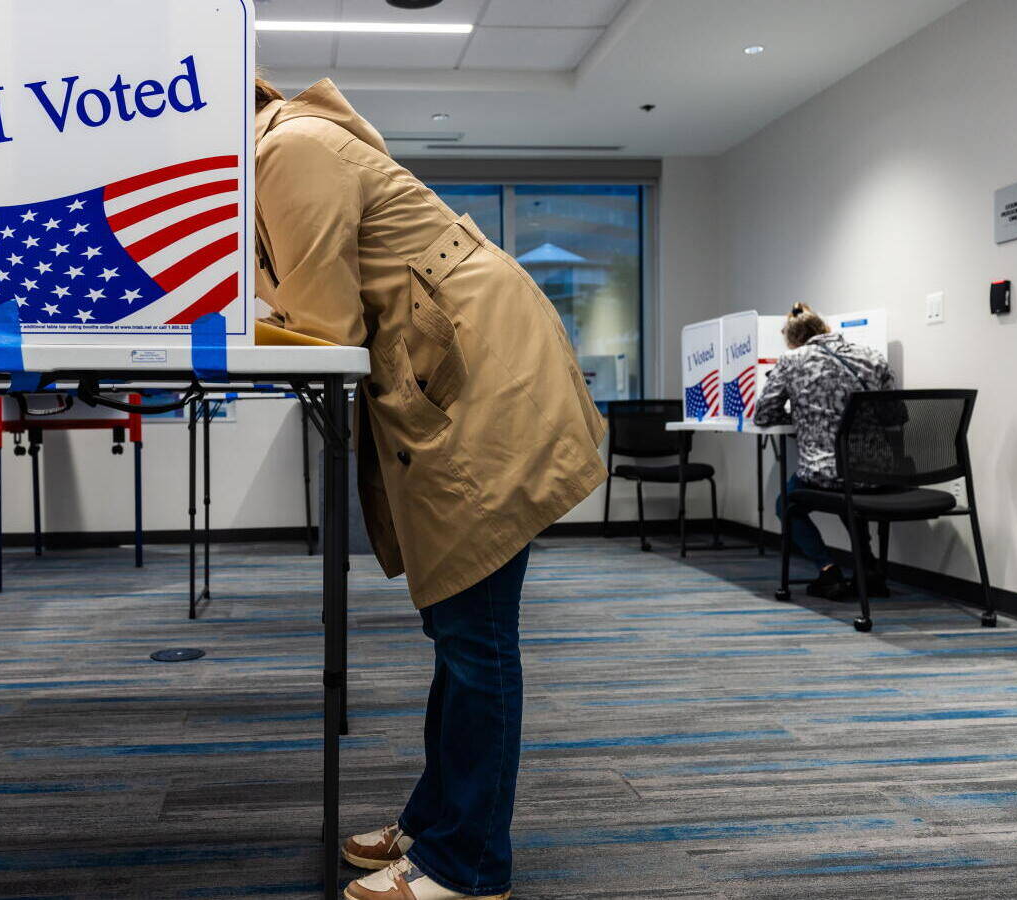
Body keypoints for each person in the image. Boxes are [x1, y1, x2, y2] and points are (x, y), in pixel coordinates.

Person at [253, 77, 606, 900]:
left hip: (475, 373)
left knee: (477, 633)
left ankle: (469, 864)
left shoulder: (288, 149)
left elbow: (324, 325)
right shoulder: (293, 142)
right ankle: (436, 822)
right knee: (461, 625)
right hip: (462, 361)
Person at [753, 303, 895, 600]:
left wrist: (803, 418)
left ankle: (828, 570)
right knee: (851, 494)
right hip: (874, 470)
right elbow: (895, 416)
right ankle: (866, 567)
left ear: (793, 340)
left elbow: (764, 413)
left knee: (785, 505)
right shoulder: (873, 357)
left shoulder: (792, 360)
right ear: (827, 329)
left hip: (825, 472)